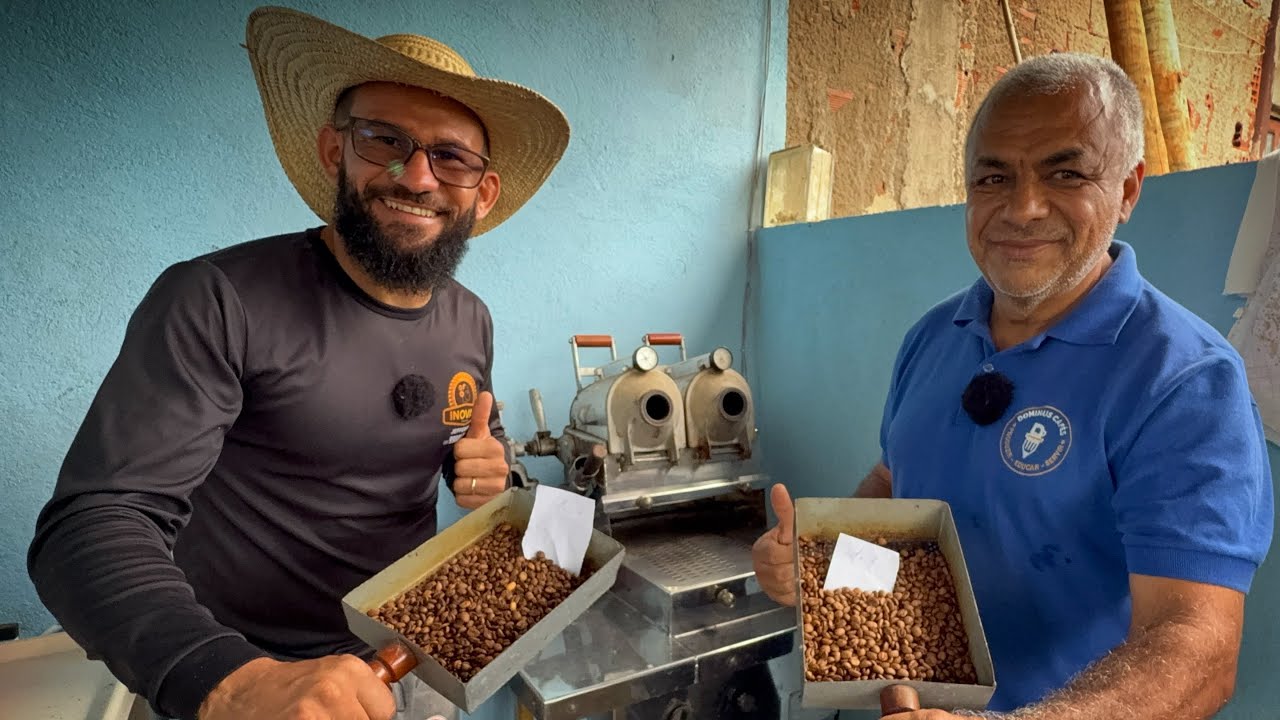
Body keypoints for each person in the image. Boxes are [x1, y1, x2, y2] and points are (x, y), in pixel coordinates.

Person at [27, 7, 570, 720]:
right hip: (249, 678)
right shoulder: (218, 299)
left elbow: (456, 437)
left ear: (482, 191)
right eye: (384, 140)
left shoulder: (472, 318)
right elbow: (93, 522)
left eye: (451, 156)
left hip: (408, 661)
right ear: (332, 151)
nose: (415, 176)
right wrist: (231, 679)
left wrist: (486, 466)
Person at [753, 53, 1274, 719]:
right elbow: (892, 488)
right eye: (994, 177)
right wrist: (818, 563)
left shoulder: (1185, 382)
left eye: (1066, 173)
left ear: (1129, 188)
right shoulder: (932, 337)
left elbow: (1195, 650)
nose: (1023, 208)